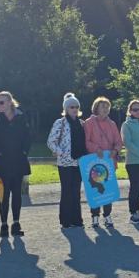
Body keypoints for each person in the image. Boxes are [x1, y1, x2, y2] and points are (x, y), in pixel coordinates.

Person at [0, 91, 31, 238]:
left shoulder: (21, 116)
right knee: (4, 194)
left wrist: (24, 151)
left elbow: (28, 135)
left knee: (17, 193)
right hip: (2, 163)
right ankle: (4, 224)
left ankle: (16, 223)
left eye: (1, 102)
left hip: (19, 161)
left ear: (10, 102)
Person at [47, 93, 87, 229]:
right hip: (65, 163)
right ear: (65, 108)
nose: (74, 109)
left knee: (76, 191)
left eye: (76, 106)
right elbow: (51, 141)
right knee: (66, 191)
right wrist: (60, 152)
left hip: (79, 162)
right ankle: (65, 220)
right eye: (71, 107)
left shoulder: (82, 123)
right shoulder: (60, 123)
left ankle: (76, 219)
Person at [83, 96, 123, 228]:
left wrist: (115, 150)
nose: (106, 109)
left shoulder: (112, 124)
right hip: (94, 161)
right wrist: (96, 149)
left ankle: (107, 215)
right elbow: (86, 141)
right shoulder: (88, 123)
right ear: (96, 108)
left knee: (108, 189)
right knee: (95, 189)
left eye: (107, 107)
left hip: (108, 162)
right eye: (103, 107)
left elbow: (118, 141)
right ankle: (94, 216)